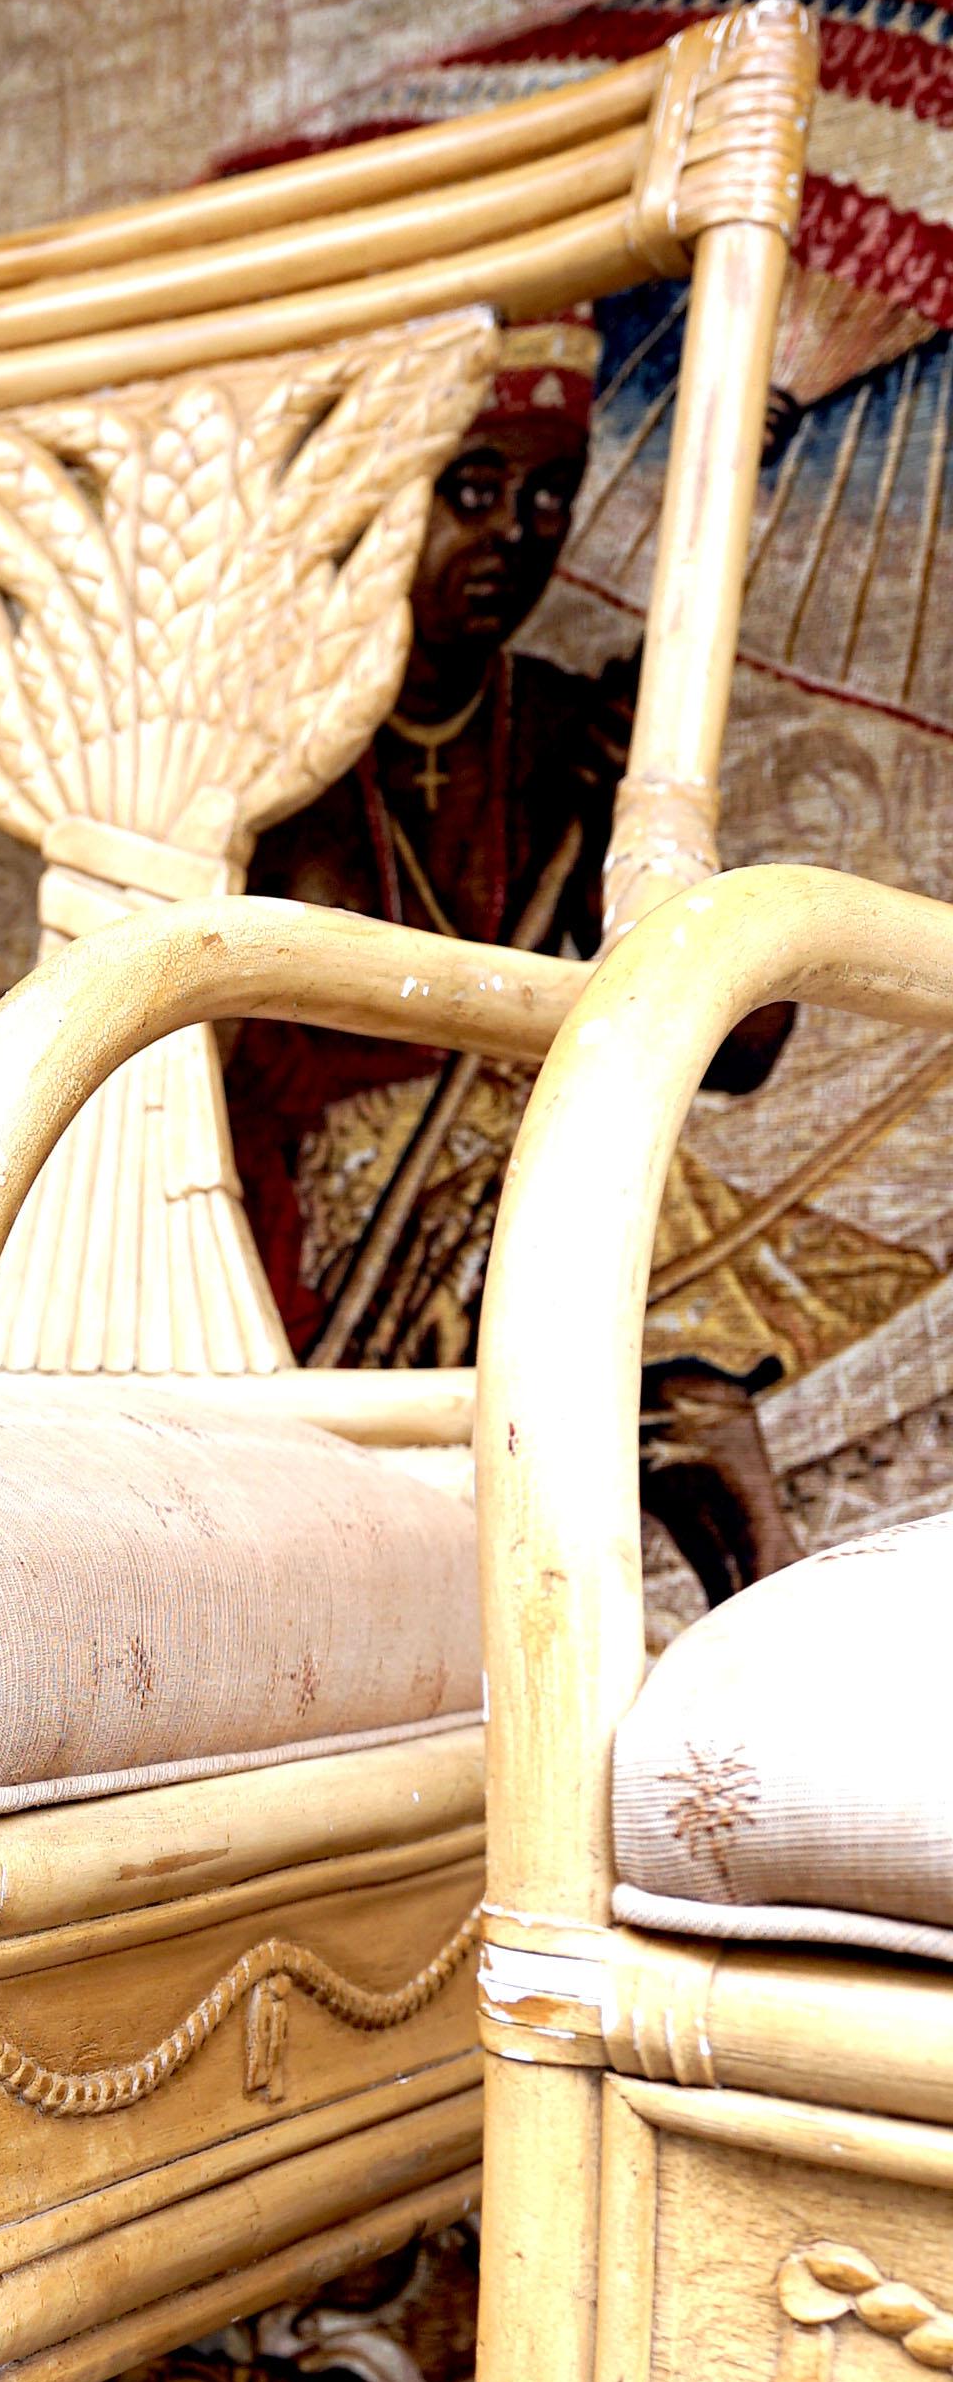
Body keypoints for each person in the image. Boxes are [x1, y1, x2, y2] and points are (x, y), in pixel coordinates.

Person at [224, 316, 810, 1600]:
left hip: (510, 1168)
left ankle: (752, 1598)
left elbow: (736, 1049)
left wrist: (636, 812)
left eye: (545, 495)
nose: (511, 535)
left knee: (620, 1232)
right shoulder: (268, 741)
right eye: (470, 492)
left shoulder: (555, 724)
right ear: (383, 499)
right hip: (316, 1209)